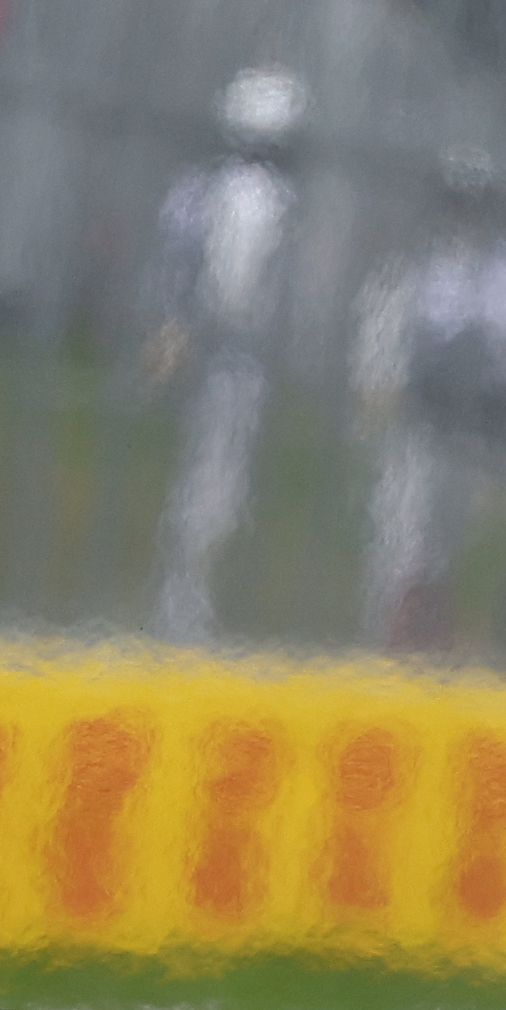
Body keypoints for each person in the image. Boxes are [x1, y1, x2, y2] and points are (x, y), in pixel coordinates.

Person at [351, 149, 506, 656]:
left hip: (478, 424)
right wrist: (376, 386)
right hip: (419, 417)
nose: (468, 215)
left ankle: (434, 635)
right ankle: (386, 636)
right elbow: (382, 329)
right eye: (460, 203)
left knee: (453, 536)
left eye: (477, 204)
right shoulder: (419, 266)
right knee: (400, 530)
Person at [146, 67, 303, 644]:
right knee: (209, 479)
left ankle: (191, 600)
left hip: (233, 357)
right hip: (223, 355)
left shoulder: (211, 189)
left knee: (217, 480)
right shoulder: (241, 195)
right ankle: (183, 603)